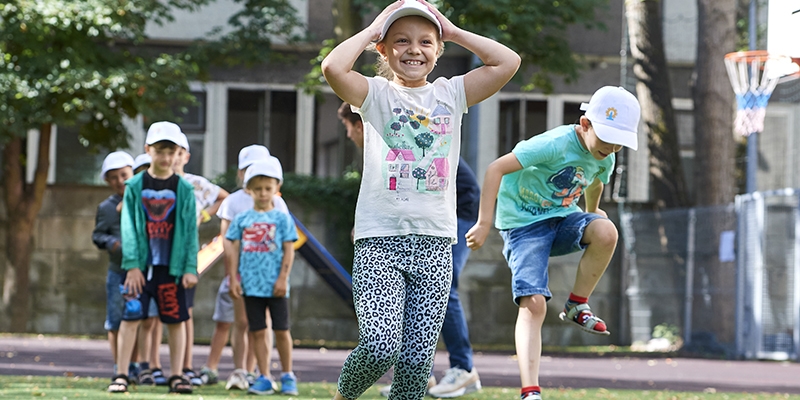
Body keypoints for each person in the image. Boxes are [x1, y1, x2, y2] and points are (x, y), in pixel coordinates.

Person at [321, 0, 520, 397]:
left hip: (435, 243)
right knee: (380, 347)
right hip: (380, 240)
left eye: (425, 41)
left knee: (415, 365)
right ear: (383, 48)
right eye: (401, 41)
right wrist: (372, 29)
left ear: (439, 49)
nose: (414, 49)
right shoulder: (374, 95)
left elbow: (507, 62)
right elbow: (332, 68)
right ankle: (344, 394)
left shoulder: (452, 94)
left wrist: (454, 31)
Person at [465, 86, 642, 400]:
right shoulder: (553, 144)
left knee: (607, 231)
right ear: (585, 125)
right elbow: (496, 169)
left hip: (560, 218)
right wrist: (484, 223)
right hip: (522, 226)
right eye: (605, 141)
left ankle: (577, 305)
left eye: (618, 144)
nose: (611, 149)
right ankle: (530, 390)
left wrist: (591, 214)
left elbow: (596, 181)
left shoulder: (606, 156)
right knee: (533, 304)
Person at [338, 103, 482, 397]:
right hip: (402, 229)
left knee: (448, 285)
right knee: (397, 312)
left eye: (348, 127)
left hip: (458, 213)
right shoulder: (381, 146)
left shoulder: (395, 135)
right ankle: (420, 374)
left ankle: (462, 368)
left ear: (360, 123)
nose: (349, 135)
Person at [107, 121, 199, 394]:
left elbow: (190, 230)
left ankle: (177, 375)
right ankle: (122, 373)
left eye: (172, 151)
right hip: (139, 268)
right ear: (148, 150)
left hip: (171, 269)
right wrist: (132, 265)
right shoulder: (134, 186)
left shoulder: (184, 189)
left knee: (175, 318)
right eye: (160, 150)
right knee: (131, 316)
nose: (166, 157)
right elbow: (129, 228)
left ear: (179, 153)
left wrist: (189, 267)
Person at [205, 145, 293, 392]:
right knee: (242, 321)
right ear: (242, 173)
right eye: (247, 169)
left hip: (269, 276)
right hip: (243, 274)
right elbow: (227, 241)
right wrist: (232, 275)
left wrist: (282, 276)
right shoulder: (233, 202)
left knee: (263, 323)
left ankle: (258, 371)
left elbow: (286, 243)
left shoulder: (277, 203)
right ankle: (240, 369)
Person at [225, 158, 299, 396]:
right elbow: (232, 248)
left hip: (276, 286)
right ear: (249, 190)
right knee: (257, 331)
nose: (263, 193)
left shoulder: (282, 219)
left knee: (281, 330)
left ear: (276, 188)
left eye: (268, 188)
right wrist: (234, 279)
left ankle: (288, 375)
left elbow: (289, 250)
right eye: (258, 189)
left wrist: (282, 278)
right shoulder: (242, 220)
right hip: (251, 286)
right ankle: (264, 376)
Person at [163, 134, 230, 386]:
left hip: (185, 255)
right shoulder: (158, 182)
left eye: (179, 153)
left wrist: (203, 214)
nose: (174, 158)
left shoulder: (194, 184)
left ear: (186, 156)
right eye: (171, 152)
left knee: (184, 309)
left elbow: (225, 197)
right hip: (160, 251)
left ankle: (185, 365)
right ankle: (155, 365)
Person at [93, 151, 136, 380]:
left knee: (138, 318)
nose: (120, 181)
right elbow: (98, 235)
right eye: (114, 177)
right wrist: (112, 243)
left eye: (123, 175)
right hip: (117, 270)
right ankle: (120, 365)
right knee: (116, 320)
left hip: (140, 270)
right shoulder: (107, 207)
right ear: (107, 181)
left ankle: (137, 363)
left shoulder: (143, 200)